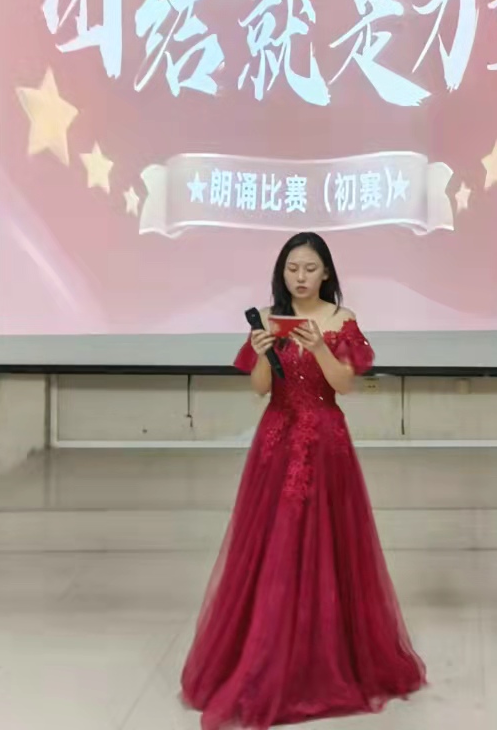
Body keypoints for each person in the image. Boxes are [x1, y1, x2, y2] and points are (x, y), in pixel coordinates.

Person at [181, 232, 426, 729]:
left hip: (326, 440)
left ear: (326, 273)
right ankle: (266, 652)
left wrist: (318, 348)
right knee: (272, 542)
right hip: (276, 438)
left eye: (310, 268)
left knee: (329, 543)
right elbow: (260, 388)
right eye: (292, 268)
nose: (300, 277)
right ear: (282, 272)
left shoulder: (341, 320)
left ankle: (325, 657)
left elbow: (344, 386)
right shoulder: (269, 320)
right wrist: (262, 352)